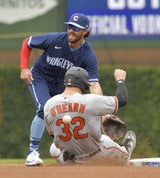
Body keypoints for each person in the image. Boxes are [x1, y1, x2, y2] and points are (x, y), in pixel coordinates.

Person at [20, 13, 103, 166]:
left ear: (85, 31)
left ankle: (69, 153)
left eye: (76, 28)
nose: (71, 30)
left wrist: (102, 108)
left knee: (68, 114)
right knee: (44, 108)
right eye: (70, 26)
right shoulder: (56, 39)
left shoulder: (88, 55)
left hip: (61, 85)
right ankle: (32, 152)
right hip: (39, 77)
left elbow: (94, 84)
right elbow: (27, 42)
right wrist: (24, 68)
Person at [44, 67, 136, 165]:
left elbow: (53, 134)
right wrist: (120, 80)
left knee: (53, 148)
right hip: (97, 154)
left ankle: (75, 163)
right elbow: (122, 99)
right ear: (83, 85)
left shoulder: (48, 105)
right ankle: (125, 152)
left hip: (71, 159)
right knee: (105, 140)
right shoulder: (90, 100)